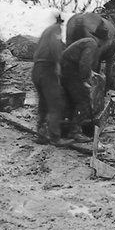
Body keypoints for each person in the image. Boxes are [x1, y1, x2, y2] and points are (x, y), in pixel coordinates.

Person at [59, 25, 107, 142]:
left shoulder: (87, 41)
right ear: (101, 40)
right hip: (69, 68)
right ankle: (74, 131)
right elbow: (84, 64)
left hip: (64, 67)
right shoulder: (92, 44)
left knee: (72, 99)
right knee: (84, 100)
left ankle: (68, 126)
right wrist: (85, 80)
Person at [32, 13, 67, 144]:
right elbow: (56, 46)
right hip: (47, 69)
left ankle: (40, 133)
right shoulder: (56, 30)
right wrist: (58, 63)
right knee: (55, 103)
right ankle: (55, 137)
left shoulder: (46, 31)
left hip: (37, 69)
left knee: (43, 102)